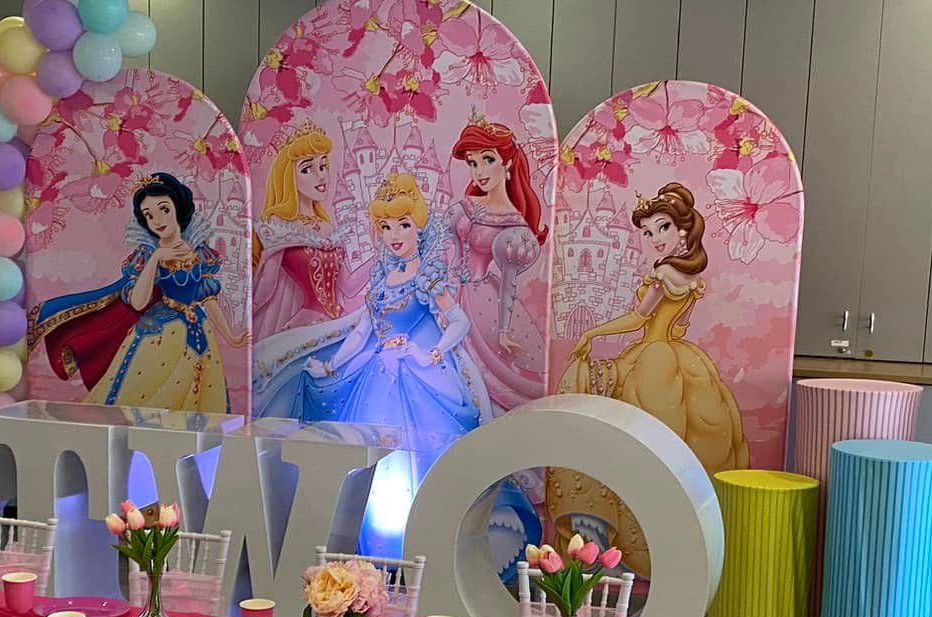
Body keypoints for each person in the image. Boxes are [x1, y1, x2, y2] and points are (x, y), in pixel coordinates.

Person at [549, 183, 747, 573]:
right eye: (648, 231)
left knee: (616, 421)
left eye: (663, 228)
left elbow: (638, 319)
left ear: (683, 230)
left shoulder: (665, 272)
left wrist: (592, 333)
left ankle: (608, 529)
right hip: (676, 357)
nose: (655, 238)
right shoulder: (689, 275)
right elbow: (678, 325)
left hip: (652, 360)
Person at [255, 172, 491, 448]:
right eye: (386, 227)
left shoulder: (426, 278)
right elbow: (361, 333)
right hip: (375, 365)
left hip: (413, 370)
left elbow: (459, 321)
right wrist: (330, 366)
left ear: (418, 228)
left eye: (403, 225)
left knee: (415, 444)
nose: (394, 235)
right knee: (358, 433)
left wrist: (431, 354)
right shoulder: (382, 280)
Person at [30, 172, 248, 412]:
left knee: (199, 397)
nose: (157, 220)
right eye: (149, 215)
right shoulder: (147, 255)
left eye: (164, 209)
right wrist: (156, 258)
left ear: (178, 207)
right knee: (152, 397)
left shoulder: (198, 252)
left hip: (198, 330)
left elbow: (208, 297)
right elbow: (138, 302)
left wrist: (231, 337)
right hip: (161, 333)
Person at [448, 117, 548, 385]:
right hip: (446, 291)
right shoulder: (466, 205)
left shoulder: (514, 225)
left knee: (472, 370)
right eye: (473, 163)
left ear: (508, 162)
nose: (479, 171)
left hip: (480, 299)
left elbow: (508, 283)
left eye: (488, 159)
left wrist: (503, 330)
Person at [249, 121, 369, 343]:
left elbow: (349, 286)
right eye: (307, 169)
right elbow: (267, 286)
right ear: (288, 176)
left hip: (339, 322)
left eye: (323, 166)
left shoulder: (328, 226)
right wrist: (244, 320)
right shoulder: (279, 224)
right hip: (306, 325)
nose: (320, 176)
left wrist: (380, 253)